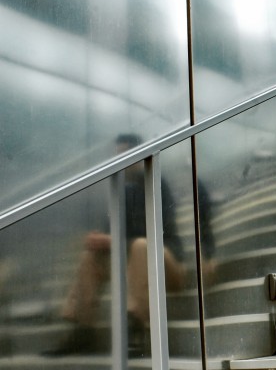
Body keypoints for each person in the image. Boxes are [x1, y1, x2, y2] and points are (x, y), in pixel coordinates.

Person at [44, 134, 186, 357]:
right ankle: (83, 329)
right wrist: (98, 240)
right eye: (117, 155)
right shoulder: (120, 192)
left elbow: (160, 234)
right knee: (91, 257)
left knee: (141, 246)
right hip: (132, 265)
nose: (119, 160)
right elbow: (110, 235)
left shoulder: (157, 182)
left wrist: (114, 240)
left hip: (168, 266)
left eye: (124, 154)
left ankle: (137, 326)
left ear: (139, 156)